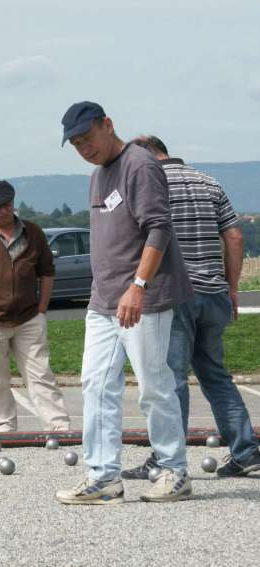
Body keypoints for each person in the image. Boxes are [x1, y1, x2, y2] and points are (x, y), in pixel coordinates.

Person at [55, 101, 194, 505]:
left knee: (153, 384)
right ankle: (103, 477)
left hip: (143, 297)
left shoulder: (140, 164)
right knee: (95, 384)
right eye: (76, 143)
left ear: (108, 124)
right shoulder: (98, 176)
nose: (84, 148)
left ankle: (174, 471)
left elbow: (158, 228)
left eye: (87, 138)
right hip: (104, 299)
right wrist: (108, 291)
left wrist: (138, 285)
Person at [122, 136, 260, 478]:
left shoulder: (152, 183)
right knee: (215, 375)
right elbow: (235, 237)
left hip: (176, 294)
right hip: (215, 293)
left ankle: (168, 458)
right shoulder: (210, 182)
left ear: (145, 155)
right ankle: (245, 450)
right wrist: (231, 287)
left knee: (171, 379)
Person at [0, 180, 70, 433]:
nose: (3, 211)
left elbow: (47, 272)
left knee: (41, 374)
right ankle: (4, 426)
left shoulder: (33, 233)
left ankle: (58, 427)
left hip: (29, 317)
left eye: (6, 205)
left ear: (13, 204)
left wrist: (42, 308)